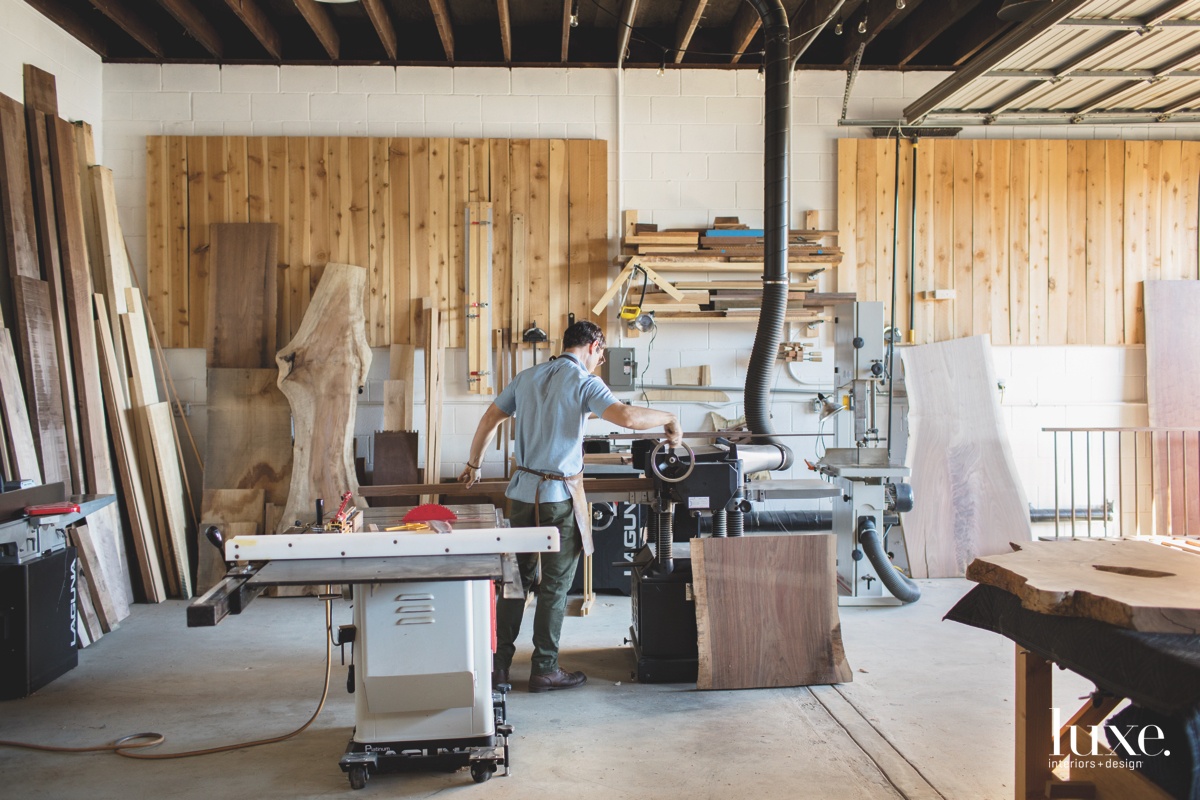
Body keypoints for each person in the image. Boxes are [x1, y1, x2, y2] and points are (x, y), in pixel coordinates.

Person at [458, 320, 682, 693]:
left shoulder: (528, 377)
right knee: (555, 584)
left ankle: (497, 667)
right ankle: (544, 668)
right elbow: (625, 417)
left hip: (520, 494)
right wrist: (669, 419)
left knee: (515, 583)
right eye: (602, 354)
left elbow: (489, 418)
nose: (600, 362)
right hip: (557, 499)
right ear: (593, 346)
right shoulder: (583, 381)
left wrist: (474, 464)